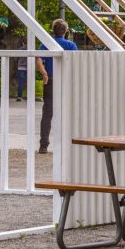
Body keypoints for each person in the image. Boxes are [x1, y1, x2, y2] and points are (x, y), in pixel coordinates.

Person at [34, 19, 77, 154]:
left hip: (51, 81)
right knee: (69, 113)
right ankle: (68, 144)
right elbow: (75, 63)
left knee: (47, 114)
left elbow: (38, 60)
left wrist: (45, 74)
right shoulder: (71, 45)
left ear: (53, 31)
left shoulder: (46, 45)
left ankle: (43, 145)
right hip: (65, 81)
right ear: (66, 31)